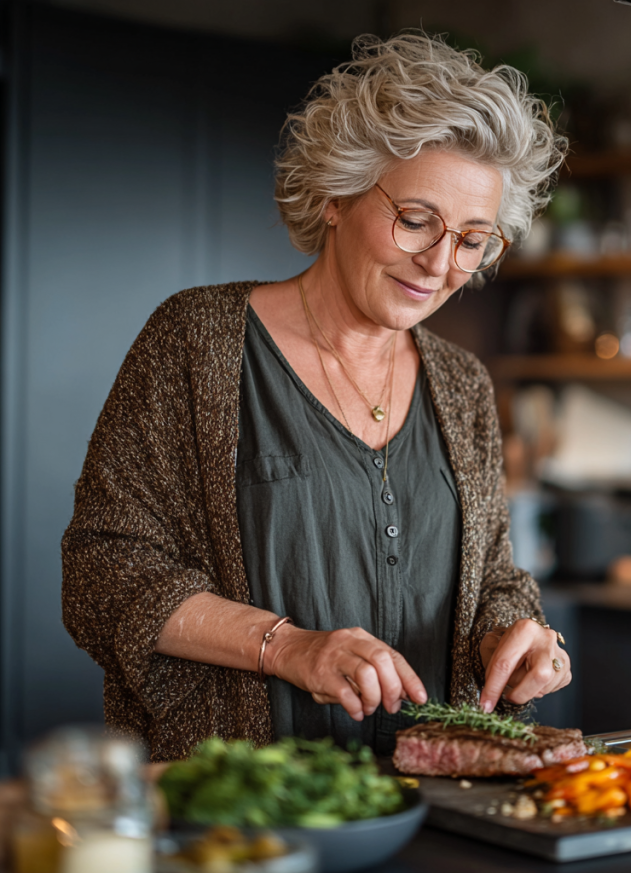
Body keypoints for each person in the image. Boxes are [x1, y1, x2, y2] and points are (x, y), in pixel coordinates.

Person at [62, 32, 570, 761]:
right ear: (337, 195)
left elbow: (491, 577)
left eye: (472, 239)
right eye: (416, 220)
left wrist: (514, 638)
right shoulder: (196, 341)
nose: (439, 264)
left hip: (436, 798)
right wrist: (289, 646)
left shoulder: (462, 385)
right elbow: (101, 570)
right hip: (247, 797)